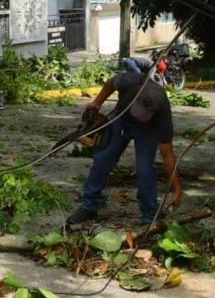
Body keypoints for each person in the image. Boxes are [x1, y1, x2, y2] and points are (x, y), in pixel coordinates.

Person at [67, 69, 182, 226]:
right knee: (103, 159)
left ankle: (149, 214)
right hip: (121, 117)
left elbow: (167, 154)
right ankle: (89, 205)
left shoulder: (162, 114)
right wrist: (97, 103)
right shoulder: (129, 81)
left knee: (145, 169)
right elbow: (110, 83)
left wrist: (177, 190)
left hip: (147, 131)